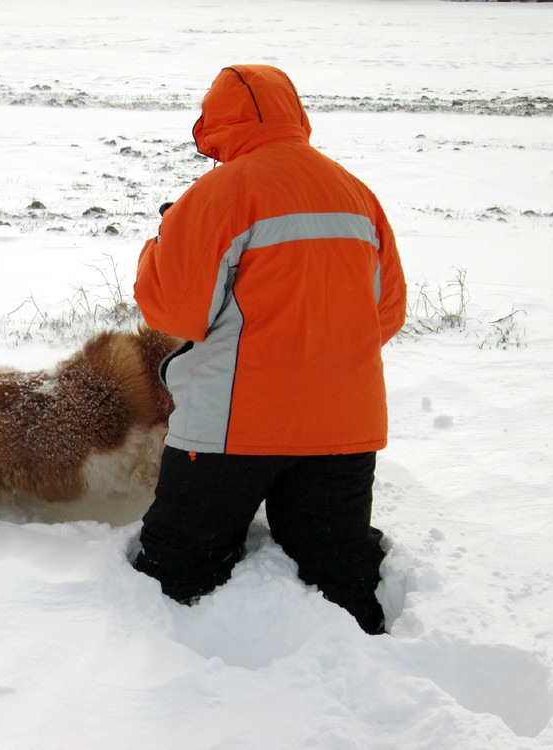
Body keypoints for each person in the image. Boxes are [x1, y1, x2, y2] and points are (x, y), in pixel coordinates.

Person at [131, 65, 406, 634]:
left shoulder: (218, 193)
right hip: (343, 430)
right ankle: (370, 679)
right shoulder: (359, 195)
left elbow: (173, 310)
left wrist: (161, 241)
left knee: (173, 576)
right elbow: (385, 315)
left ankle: (180, 684)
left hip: (230, 434)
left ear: (217, 121)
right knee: (341, 576)